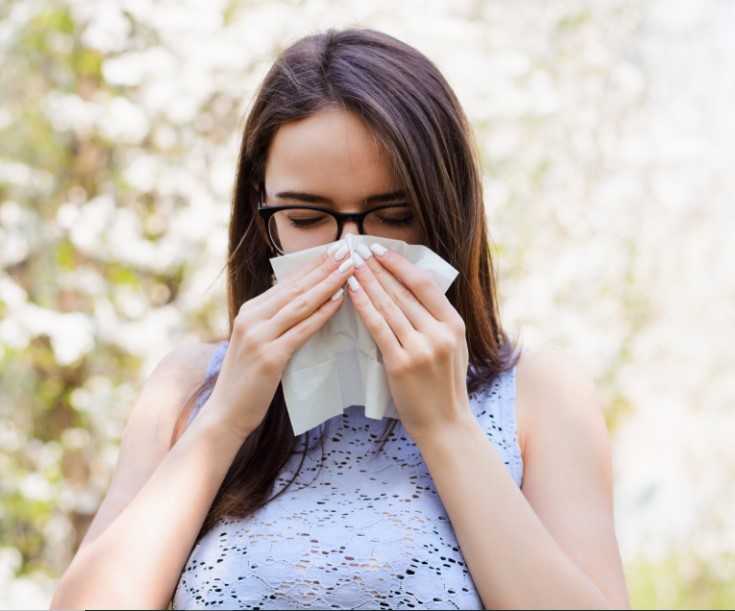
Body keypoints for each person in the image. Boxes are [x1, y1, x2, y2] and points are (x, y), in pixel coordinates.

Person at [51, 28, 629, 610]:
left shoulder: (539, 395)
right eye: (306, 217)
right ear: (263, 214)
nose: (349, 253)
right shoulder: (186, 389)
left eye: (394, 214)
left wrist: (446, 426)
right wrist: (225, 419)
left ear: (446, 209)